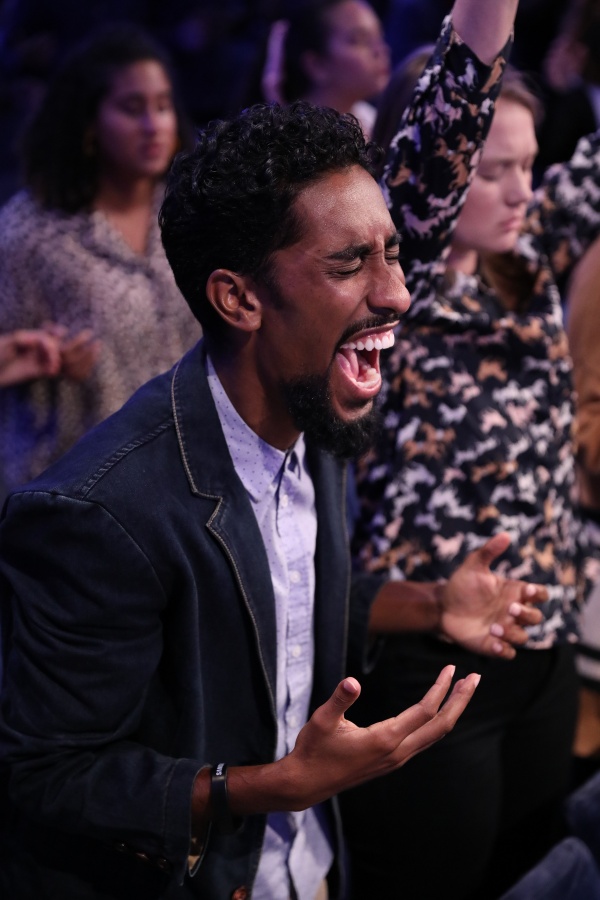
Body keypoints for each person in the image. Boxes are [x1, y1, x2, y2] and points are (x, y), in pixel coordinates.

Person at [0, 2, 545, 895]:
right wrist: (268, 787)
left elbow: (284, 597)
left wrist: (432, 605)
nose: (398, 293)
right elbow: (45, 774)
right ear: (239, 299)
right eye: (350, 264)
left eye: (393, 254)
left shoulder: (312, 418)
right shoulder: (100, 515)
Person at [339, 24, 600, 900]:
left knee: (536, 878)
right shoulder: (393, 287)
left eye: (530, 165)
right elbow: (444, 136)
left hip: (543, 646)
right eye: (495, 170)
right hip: (431, 657)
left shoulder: (524, 262)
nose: (523, 188)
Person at [0, 24, 200, 497]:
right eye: (132, 108)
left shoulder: (192, 210)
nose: (153, 125)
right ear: (89, 125)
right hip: (76, 493)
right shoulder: (32, 232)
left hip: (187, 481)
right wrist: (44, 359)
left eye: (163, 106)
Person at [261, 0, 391, 136]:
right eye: (360, 40)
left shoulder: (374, 122)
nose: (380, 50)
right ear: (316, 64)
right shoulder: (286, 137)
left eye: (379, 37)